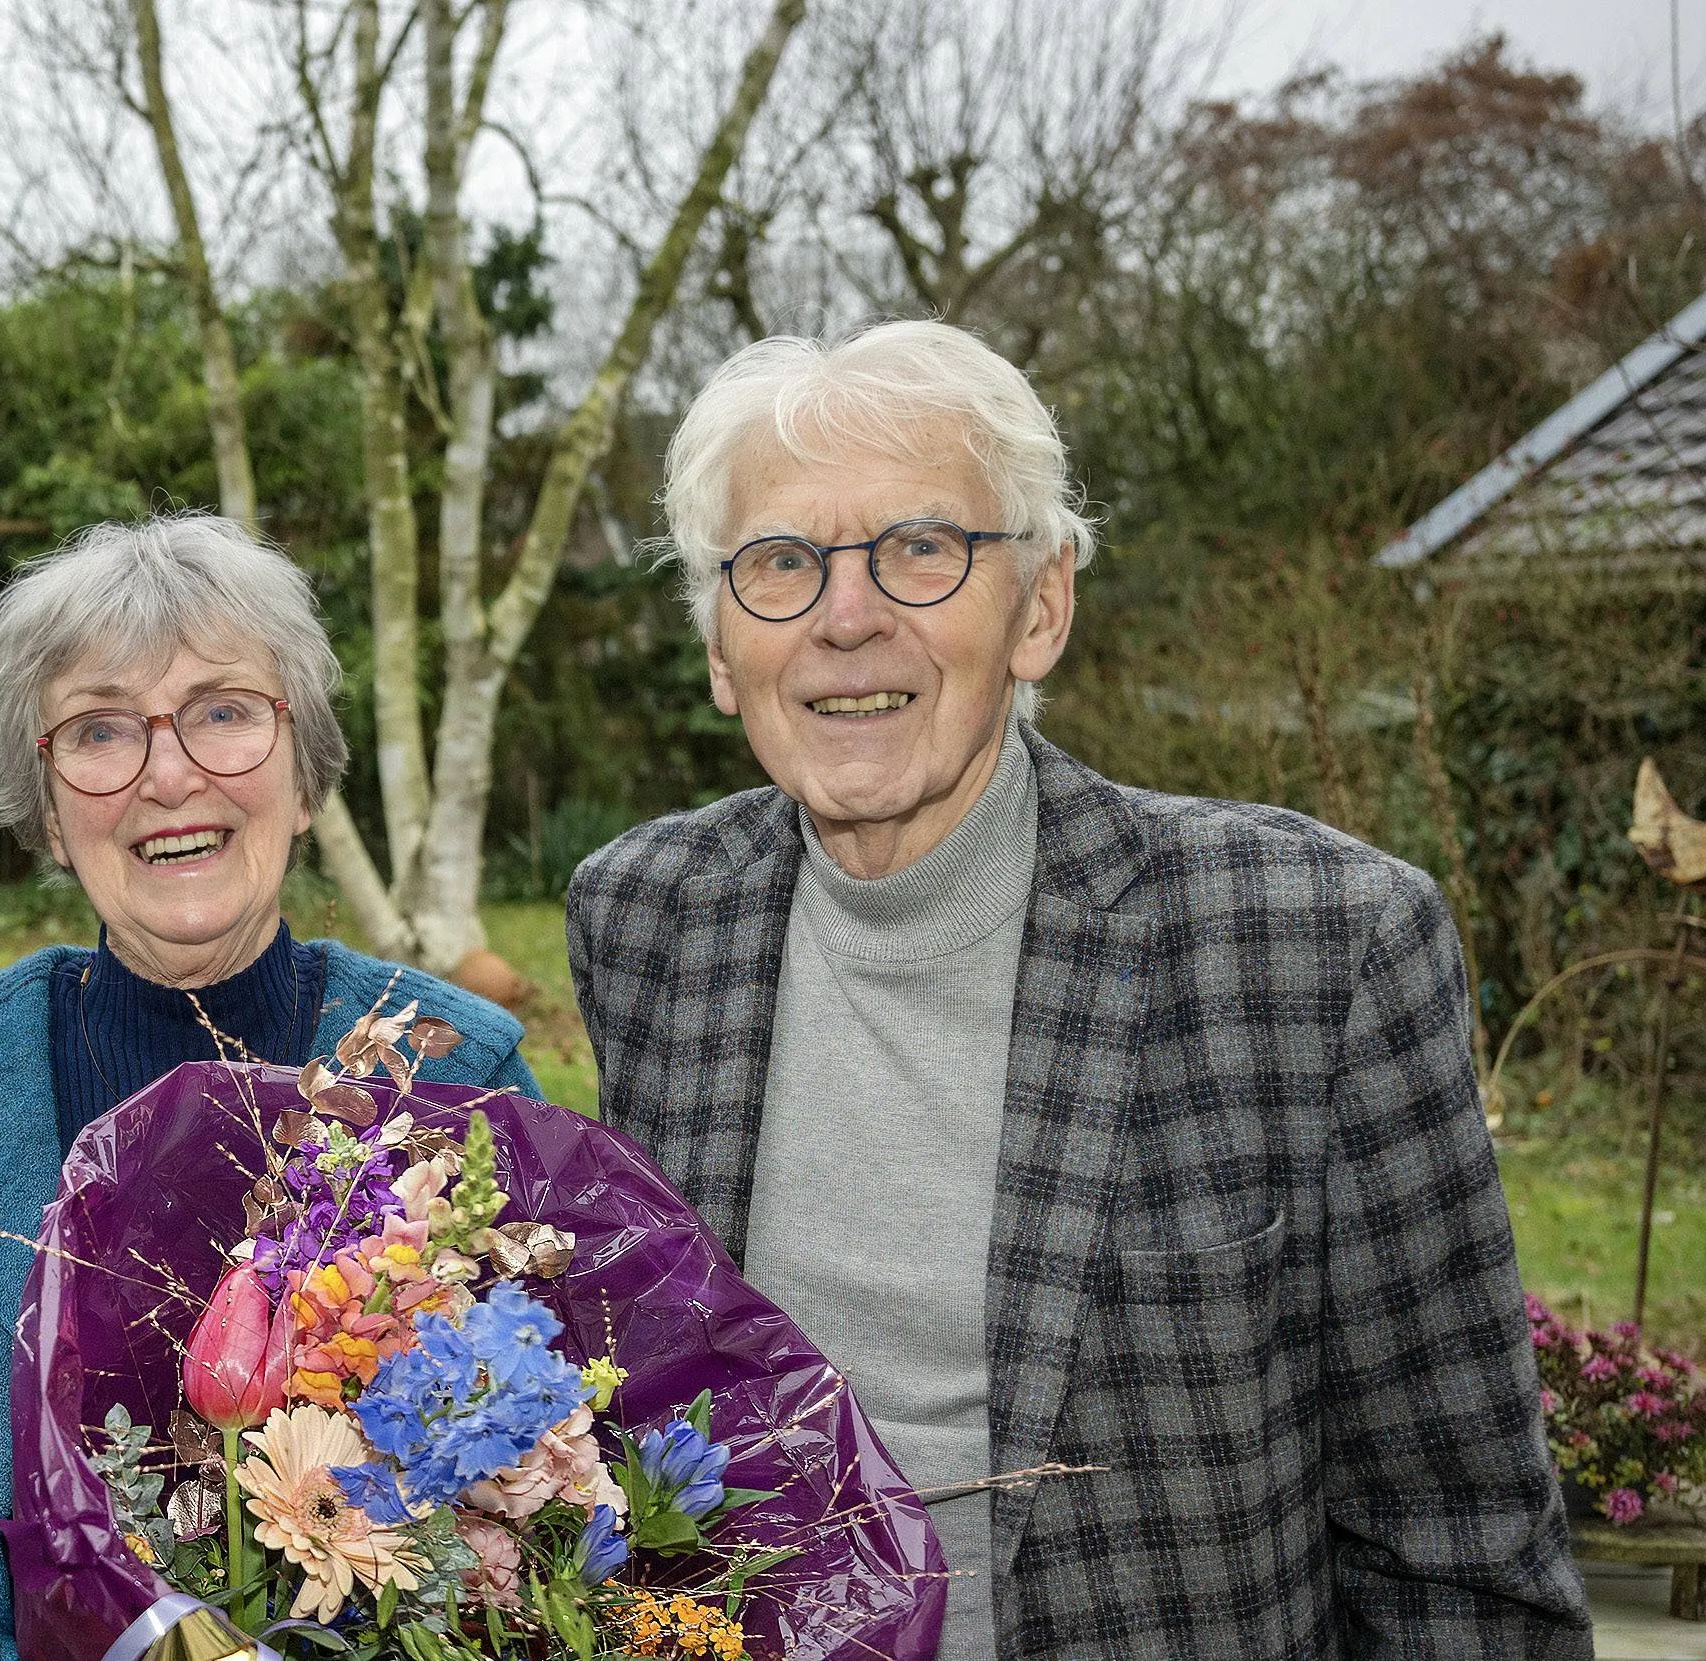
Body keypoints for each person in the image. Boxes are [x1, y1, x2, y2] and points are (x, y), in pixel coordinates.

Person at [567, 320, 1593, 1657]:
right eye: (778, 564)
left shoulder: (1315, 946)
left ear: (1040, 605)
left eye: (919, 548)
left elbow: (1463, 1554)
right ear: (719, 648)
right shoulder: (647, 918)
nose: (845, 615)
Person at [0, 515, 540, 1659]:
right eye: (100, 729)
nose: (168, 773)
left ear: (305, 765)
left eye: (225, 711)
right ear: (50, 807)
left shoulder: (456, 1073)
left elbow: (563, 1468)